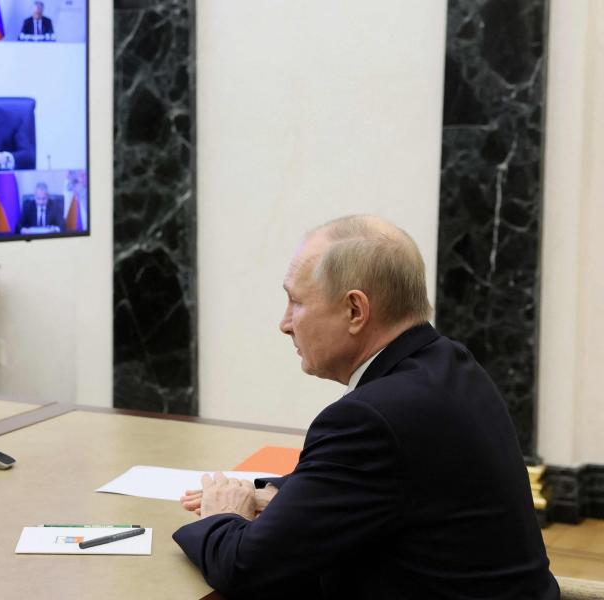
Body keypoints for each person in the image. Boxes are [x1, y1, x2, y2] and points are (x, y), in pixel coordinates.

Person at [173, 215, 558, 599]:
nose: (284, 323)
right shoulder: (451, 365)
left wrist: (223, 512)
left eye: (296, 301)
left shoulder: (370, 419)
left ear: (356, 311)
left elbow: (244, 568)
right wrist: (277, 494)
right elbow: (380, 481)